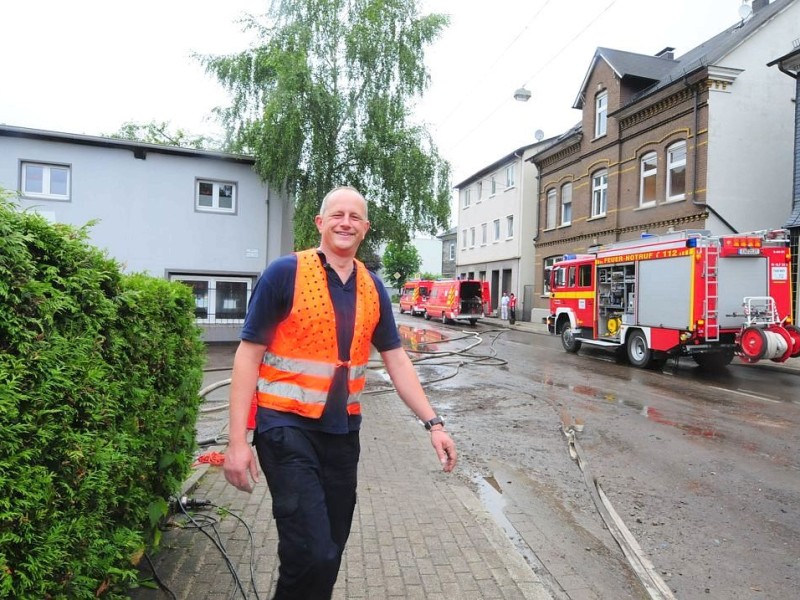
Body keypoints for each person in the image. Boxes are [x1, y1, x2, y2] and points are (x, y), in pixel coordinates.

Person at [223, 185, 457, 600]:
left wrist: (433, 423)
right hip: (285, 428)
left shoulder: (373, 287)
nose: (345, 223)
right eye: (337, 215)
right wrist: (236, 441)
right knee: (310, 551)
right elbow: (247, 355)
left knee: (329, 551)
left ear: (365, 228)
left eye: (355, 217)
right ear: (320, 222)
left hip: (342, 435)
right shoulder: (285, 273)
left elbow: (397, 359)